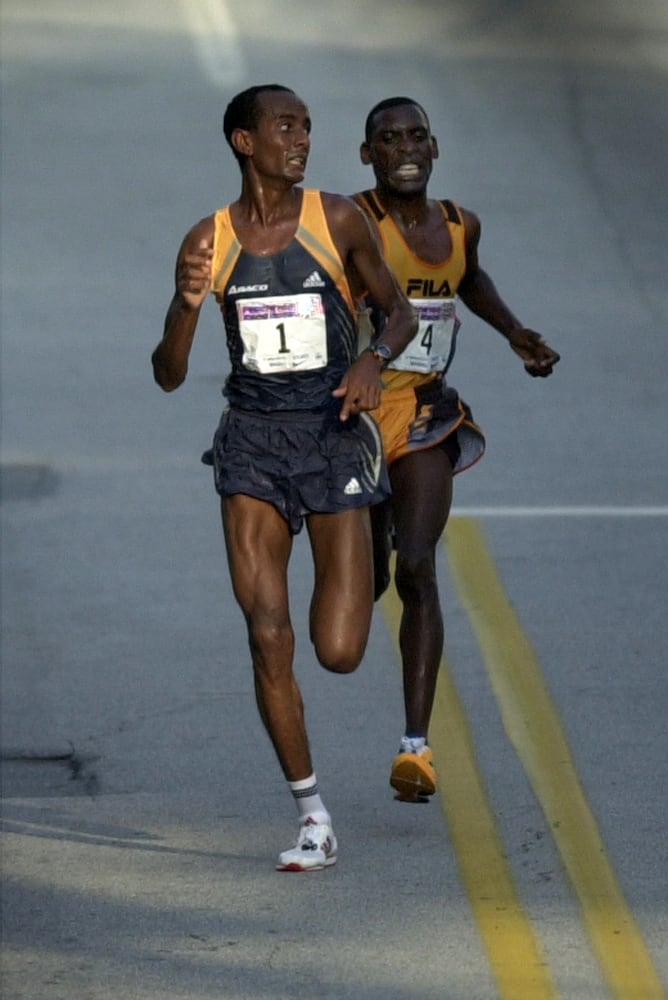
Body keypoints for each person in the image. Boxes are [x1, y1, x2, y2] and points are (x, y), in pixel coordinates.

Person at [151, 85, 417, 871]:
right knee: (268, 633)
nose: (301, 139)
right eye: (285, 127)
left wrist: (372, 359)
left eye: (305, 127)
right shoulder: (209, 239)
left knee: (338, 651)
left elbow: (396, 313)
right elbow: (169, 374)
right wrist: (186, 303)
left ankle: (376, 524)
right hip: (253, 445)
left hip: (333, 433)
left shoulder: (335, 219)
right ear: (244, 141)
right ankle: (313, 816)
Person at [353, 97, 560, 803]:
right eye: (389, 139)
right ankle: (365, 548)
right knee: (361, 595)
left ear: (435, 148)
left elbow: (467, 279)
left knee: (417, 566)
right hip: (352, 419)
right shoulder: (352, 221)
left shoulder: (460, 223)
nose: (405, 148)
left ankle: (416, 747)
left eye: (416, 136)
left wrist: (514, 331)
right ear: (368, 155)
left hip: (426, 415)